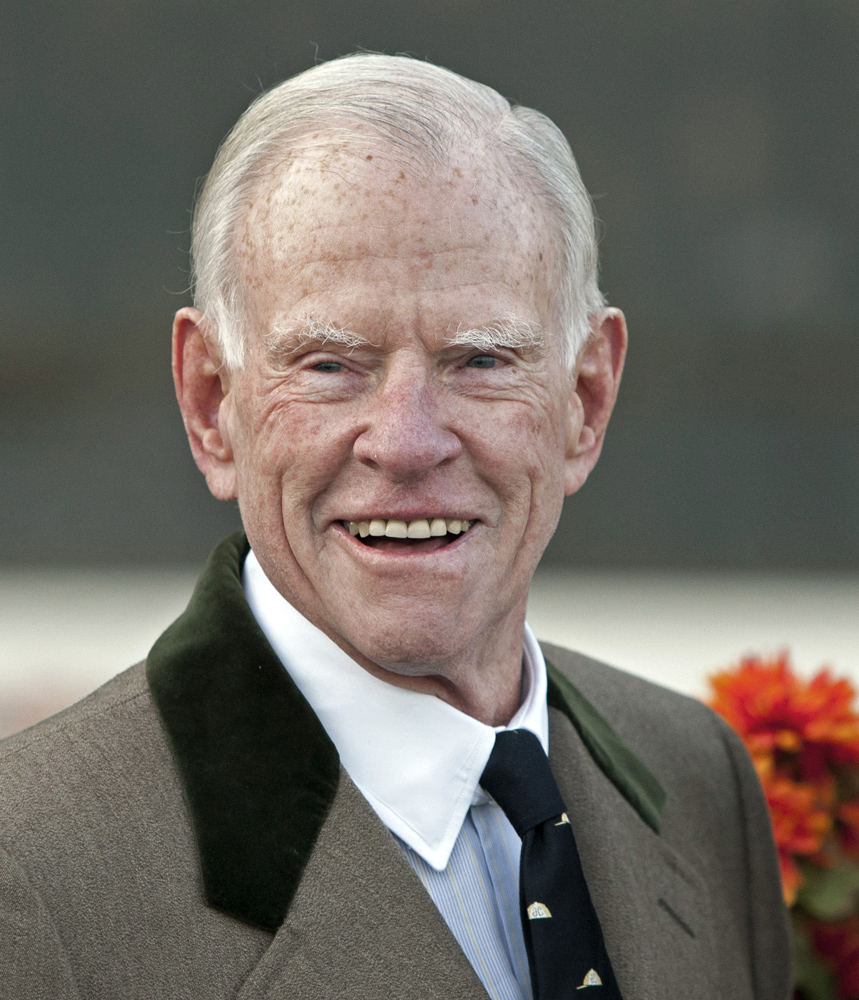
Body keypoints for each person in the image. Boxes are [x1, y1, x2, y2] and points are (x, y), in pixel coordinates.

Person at [0, 54, 790, 999]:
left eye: (481, 359)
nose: (408, 443)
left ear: (585, 398)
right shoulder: (32, 869)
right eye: (332, 365)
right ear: (212, 405)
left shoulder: (699, 782)